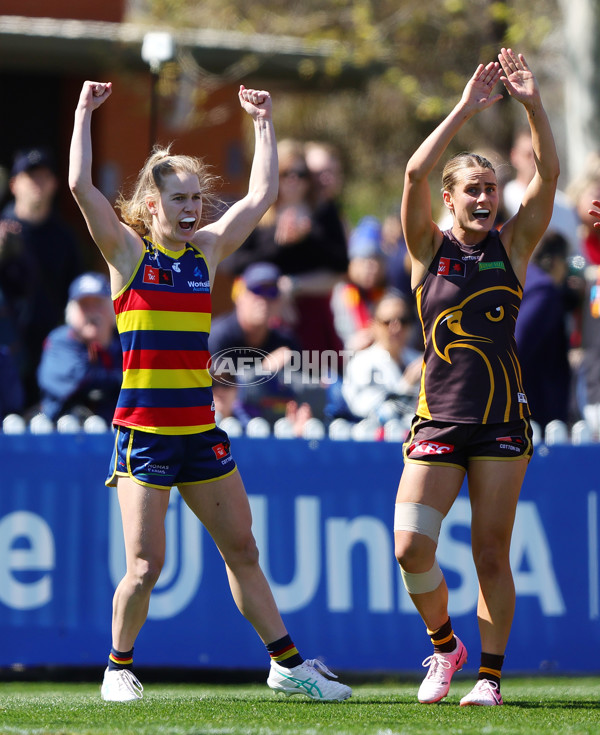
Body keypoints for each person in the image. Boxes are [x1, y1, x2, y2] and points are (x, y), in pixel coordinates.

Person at [69, 80, 351, 703]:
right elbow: (81, 190)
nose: (193, 207)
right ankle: (118, 667)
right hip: (143, 433)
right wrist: (86, 113)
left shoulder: (208, 251)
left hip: (199, 429)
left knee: (243, 548)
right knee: (145, 569)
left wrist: (264, 123)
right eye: (180, 198)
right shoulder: (126, 252)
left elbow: (262, 194)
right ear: (151, 202)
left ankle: (286, 664)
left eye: (198, 197)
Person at [396, 49, 559, 707]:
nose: (487, 199)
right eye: (474, 189)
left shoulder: (513, 248)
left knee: (492, 553)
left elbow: (549, 175)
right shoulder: (424, 249)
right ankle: (445, 647)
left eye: (492, 189)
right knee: (410, 545)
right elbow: (412, 170)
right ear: (450, 198)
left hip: (501, 420)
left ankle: (488, 677)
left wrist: (534, 105)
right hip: (438, 417)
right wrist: (467, 106)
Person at [0, 147, 84, 407]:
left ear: (55, 184)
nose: (38, 183)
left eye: (44, 176)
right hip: (7, 349)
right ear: (14, 184)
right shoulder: (2, 232)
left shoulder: (65, 236)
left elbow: (77, 290)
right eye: (30, 177)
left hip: (52, 349)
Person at [209, 261, 303, 425]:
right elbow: (216, 395)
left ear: (280, 301)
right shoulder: (218, 337)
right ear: (239, 295)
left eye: (272, 292)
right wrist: (264, 370)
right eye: (257, 290)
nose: (264, 300)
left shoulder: (285, 342)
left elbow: (300, 393)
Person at [37, 271, 122, 424]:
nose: (92, 313)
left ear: (112, 309)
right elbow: (76, 379)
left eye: (98, 304)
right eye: (84, 305)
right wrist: (120, 380)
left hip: (118, 433)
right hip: (65, 435)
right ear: (71, 313)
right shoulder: (60, 341)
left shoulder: (125, 341)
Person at [514, 232, 573, 430]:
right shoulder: (544, 290)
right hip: (535, 407)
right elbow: (518, 345)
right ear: (556, 261)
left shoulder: (524, 278)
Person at [341, 291, 421, 423]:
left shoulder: (419, 359)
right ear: (374, 326)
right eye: (387, 322)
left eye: (403, 321)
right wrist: (406, 386)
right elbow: (364, 409)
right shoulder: (361, 362)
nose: (396, 328)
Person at [503, 128, 580, 256]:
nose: (535, 162)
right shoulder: (503, 200)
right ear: (514, 156)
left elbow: (576, 255)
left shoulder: (565, 205)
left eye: (540, 155)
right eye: (528, 155)